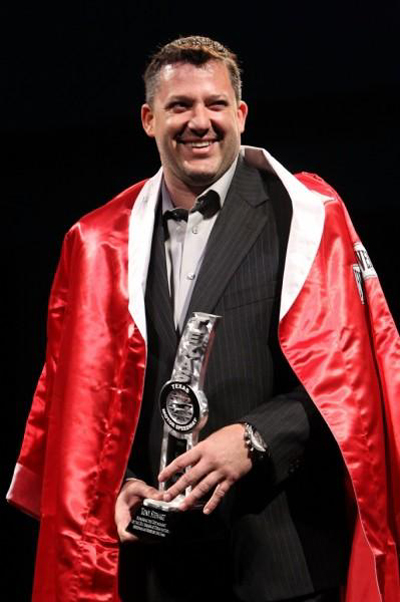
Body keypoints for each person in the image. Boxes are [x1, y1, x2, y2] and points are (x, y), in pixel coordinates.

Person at [7, 36, 400, 602]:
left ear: (241, 113)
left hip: (281, 556)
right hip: (157, 564)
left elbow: (351, 379)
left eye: (215, 104)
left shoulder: (304, 218)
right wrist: (120, 482)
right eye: (180, 106)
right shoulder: (100, 241)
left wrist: (255, 438)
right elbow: (84, 402)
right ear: (149, 120)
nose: (200, 122)